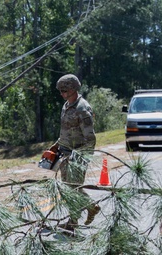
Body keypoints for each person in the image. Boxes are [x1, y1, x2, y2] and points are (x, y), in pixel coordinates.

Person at [48, 74, 100, 232]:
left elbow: (90, 139)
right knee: (68, 188)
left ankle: (91, 208)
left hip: (77, 155)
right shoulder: (66, 106)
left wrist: (79, 158)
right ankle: (73, 222)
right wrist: (56, 146)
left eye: (64, 90)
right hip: (64, 153)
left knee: (74, 188)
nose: (62, 94)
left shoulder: (82, 109)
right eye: (60, 91)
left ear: (73, 89)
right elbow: (66, 131)